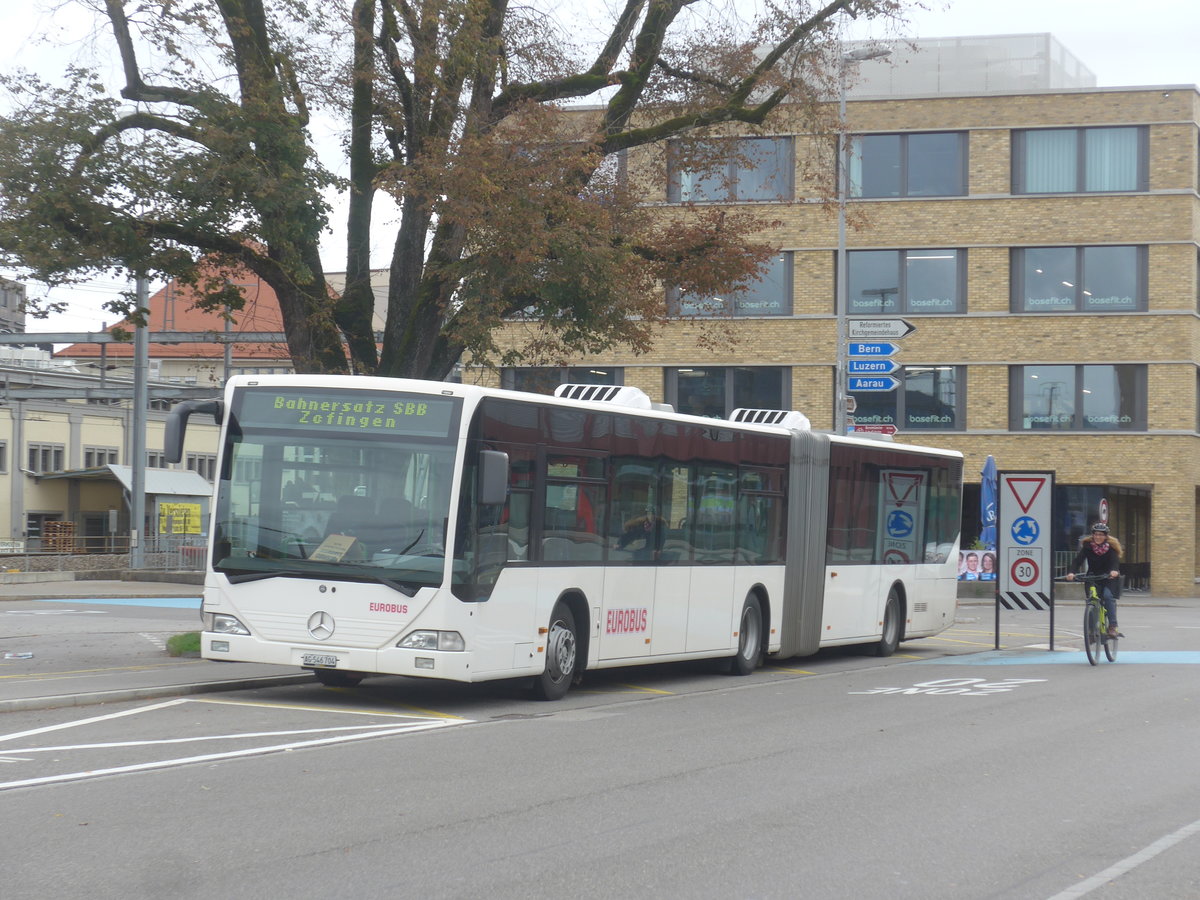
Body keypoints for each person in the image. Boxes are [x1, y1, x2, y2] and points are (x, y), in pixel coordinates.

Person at [1066, 523, 1122, 637]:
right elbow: (1078, 561)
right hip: (1092, 577)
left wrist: (1114, 571)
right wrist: (1072, 572)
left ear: (1105, 536)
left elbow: (1114, 563)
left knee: (1107, 597)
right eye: (1096, 534)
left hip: (1108, 577)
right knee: (1091, 601)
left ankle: (1112, 626)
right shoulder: (1087, 547)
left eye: (1101, 535)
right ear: (1093, 535)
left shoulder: (1111, 548)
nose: (1098, 537)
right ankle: (1091, 631)